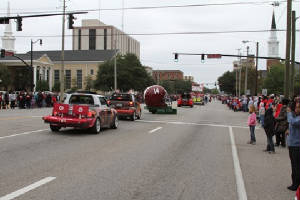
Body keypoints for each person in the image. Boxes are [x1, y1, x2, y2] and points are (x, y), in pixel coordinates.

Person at [286, 103, 300, 191]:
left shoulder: (295, 118)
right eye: (296, 107)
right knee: (293, 165)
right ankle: (294, 183)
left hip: (297, 145)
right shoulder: (295, 116)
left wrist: (289, 112)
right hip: (292, 144)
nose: (296, 109)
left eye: (298, 107)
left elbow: (293, 122)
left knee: (296, 166)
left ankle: (296, 184)